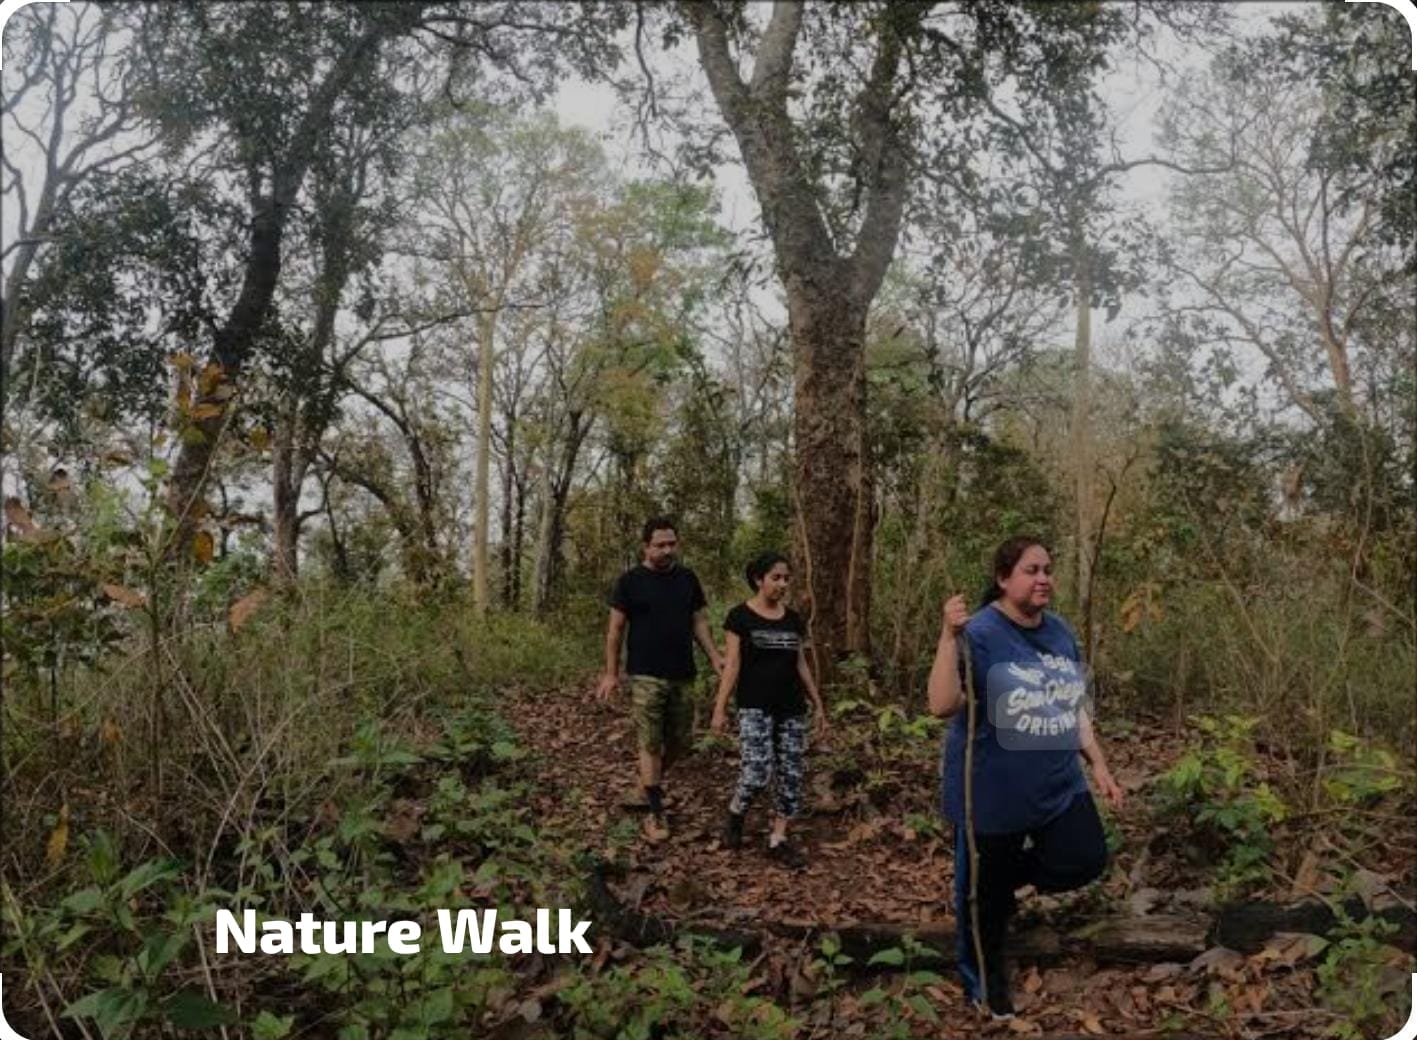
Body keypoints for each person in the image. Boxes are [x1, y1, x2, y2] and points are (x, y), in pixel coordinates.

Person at [928, 535, 1124, 1019]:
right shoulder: (978, 632)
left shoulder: (1059, 631)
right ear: (1003, 578)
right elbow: (940, 705)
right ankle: (986, 988)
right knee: (986, 914)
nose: (1043, 579)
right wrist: (947, 637)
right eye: (1031, 570)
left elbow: (1073, 704)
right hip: (992, 796)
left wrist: (1097, 762)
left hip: (1059, 785)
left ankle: (993, 884)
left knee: (1084, 859)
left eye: (1047, 569)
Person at [598, 517, 722, 842]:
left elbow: (698, 621)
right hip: (645, 675)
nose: (668, 550)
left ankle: (646, 782)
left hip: (683, 673)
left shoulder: (687, 579)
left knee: (681, 742)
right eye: (660, 545)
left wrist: (714, 656)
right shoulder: (630, 582)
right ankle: (655, 811)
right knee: (650, 742)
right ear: (646, 546)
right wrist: (611, 673)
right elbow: (614, 631)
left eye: (672, 544)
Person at [710, 551, 828, 870]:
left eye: (787, 578)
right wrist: (719, 708)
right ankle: (736, 812)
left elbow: (801, 664)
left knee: (791, 773)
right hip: (754, 706)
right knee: (758, 772)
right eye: (776, 578)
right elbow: (732, 665)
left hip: (791, 707)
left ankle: (778, 839)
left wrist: (818, 704)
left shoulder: (793, 620)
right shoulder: (739, 617)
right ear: (759, 580)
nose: (782, 584)